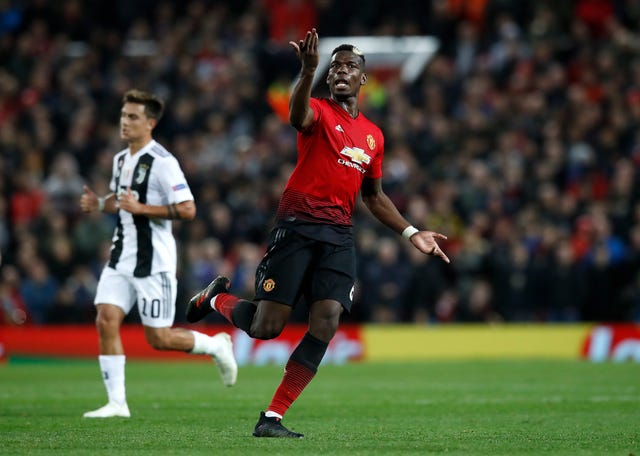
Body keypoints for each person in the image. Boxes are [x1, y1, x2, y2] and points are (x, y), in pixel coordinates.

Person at [186, 29, 450, 437]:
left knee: (326, 322)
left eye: (351, 67)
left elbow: (374, 196)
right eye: (336, 66)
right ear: (328, 77)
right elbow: (295, 116)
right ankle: (215, 298)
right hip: (297, 227)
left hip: (339, 236)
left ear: (364, 79)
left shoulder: (373, 136)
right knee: (266, 327)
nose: (342, 71)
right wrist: (307, 71)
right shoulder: (317, 112)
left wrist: (411, 232)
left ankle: (271, 418)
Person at [80, 89, 237, 419]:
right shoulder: (121, 159)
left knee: (160, 338)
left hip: (154, 263)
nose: (125, 122)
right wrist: (98, 203)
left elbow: (188, 208)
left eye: (133, 117)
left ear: (150, 123)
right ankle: (117, 403)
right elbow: (120, 199)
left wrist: (143, 208)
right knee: (106, 319)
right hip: (121, 255)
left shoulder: (163, 163)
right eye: (123, 115)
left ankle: (216, 345)